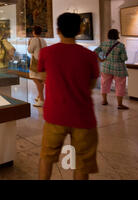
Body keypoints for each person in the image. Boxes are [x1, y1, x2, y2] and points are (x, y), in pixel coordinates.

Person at [37, 13, 100, 180]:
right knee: (82, 163)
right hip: (83, 116)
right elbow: (92, 84)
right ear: (80, 29)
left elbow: (43, 76)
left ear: (58, 30)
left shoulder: (46, 53)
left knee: (47, 157)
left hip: (55, 114)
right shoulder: (90, 56)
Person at [94, 29, 129, 109]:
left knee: (104, 84)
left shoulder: (104, 44)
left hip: (106, 67)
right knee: (120, 85)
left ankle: (104, 100)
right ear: (117, 35)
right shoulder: (121, 45)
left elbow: (95, 52)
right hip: (119, 68)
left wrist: (101, 59)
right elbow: (124, 58)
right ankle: (120, 104)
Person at [28, 25, 47, 107]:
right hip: (43, 62)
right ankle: (39, 96)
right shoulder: (43, 40)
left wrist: (29, 43)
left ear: (33, 32)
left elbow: (30, 50)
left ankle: (42, 99)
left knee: (35, 78)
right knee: (40, 80)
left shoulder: (33, 40)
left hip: (36, 62)